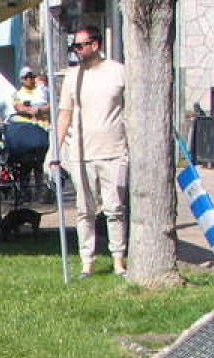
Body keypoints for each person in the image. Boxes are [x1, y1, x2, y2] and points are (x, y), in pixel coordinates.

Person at [54, 25, 128, 278]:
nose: (77, 50)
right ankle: (87, 262)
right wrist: (53, 150)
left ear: (95, 45)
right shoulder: (73, 76)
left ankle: (119, 260)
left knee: (114, 208)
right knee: (85, 210)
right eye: (74, 46)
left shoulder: (119, 72)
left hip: (114, 151)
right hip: (80, 154)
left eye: (80, 45)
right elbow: (64, 115)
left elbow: (132, 110)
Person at [7, 67, 51, 202]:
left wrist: (35, 109)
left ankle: (41, 191)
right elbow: (19, 108)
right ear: (21, 79)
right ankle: (25, 191)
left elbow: (51, 105)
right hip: (25, 132)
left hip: (42, 130)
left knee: (40, 165)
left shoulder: (43, 91)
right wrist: (34, 111)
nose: (29, 79)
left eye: (31, 76)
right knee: (25, 164)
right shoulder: (17, 94)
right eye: (26, 77)